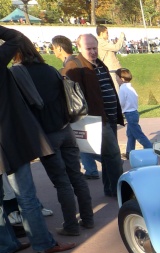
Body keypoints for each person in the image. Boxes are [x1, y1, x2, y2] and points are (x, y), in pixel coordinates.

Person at [0, 26, 75, 253]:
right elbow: (16, 37)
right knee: (26, 195)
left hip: (8, 137)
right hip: (10, 138)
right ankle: (42, 243)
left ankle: (6, 244)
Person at [13, 33, 94, 237]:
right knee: (76, 175)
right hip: (65, 128)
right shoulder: (50, 70)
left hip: (46, 134)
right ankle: (88, 218)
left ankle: (71, 225)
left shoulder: (18, 73)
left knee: (61, 181)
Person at [64, 33, 125, 198]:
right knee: (113, 155)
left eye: (94, 48)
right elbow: (68, 94)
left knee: (108, 156)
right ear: (79, 48)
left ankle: (111, 189)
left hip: (109, 117)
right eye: (88, 48)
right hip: (95, 120)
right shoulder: (74, 65)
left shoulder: (99, 63)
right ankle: (120, 190)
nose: (92, 52)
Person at [52, 34, 100, 180]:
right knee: (83, 142)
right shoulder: (73, 63)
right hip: (83, 112)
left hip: (80, 112)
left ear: (59, 48)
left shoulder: (71, 65)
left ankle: (101, 164)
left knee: (85, 142)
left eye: (53, 48)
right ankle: (91, 169)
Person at [117, 68, 152, 159]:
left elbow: (121, 102)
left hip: (129, 113)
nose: (116, 79)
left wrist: (118, 112)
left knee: (138, 134)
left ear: (122, 78)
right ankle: (129, 152)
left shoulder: (122, 89)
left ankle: (150, 148)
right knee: (130, 134)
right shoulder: (130, 88)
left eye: (117, 77)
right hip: (134, 112)